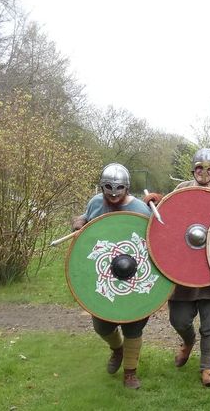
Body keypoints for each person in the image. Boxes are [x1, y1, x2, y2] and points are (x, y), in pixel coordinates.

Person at [70, 163, 153, 390]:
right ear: (102, 187)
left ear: (126, 188)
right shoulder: (96, 202)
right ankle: (117, 349)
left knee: (133, 327)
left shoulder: (140, 210)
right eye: (108, 188)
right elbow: (85, 219)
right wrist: (79, 223)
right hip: (104, 270)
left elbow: (154, 243)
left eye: (118, 188)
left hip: (134, 272)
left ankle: (130, 373)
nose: (113, 193)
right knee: (102, 327)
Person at [164, 148, 210, 387]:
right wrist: (155, 202)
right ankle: (188, 340)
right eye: (200, 168)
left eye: (209, 169)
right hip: (183, 266)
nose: (204, 173)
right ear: (193, 169)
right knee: (179, 319)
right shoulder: (181, 190)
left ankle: (207, 368)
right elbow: (167, 219)